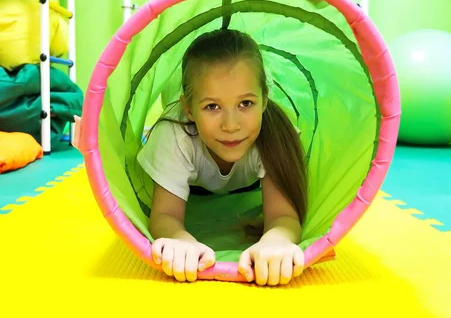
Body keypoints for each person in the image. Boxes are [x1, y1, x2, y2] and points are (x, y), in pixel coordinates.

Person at [73, 29, 308, 286]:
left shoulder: (273, 135)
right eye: (212, 107)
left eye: (245, 104)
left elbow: (283, 216)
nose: (231, 125)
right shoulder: (174, 135)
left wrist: (276, 242)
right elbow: (164, 217)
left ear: (264, 99)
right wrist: (180, 241)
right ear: (189, 109)